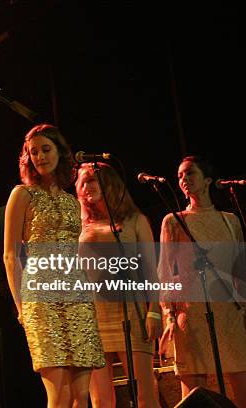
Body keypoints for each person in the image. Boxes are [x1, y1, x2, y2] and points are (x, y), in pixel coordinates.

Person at [3, 124, 104, 408]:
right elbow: (10, 255)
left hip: (77, 295)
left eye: (46, 149)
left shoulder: (72, 202)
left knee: (80, 396)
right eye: (33, 152)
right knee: (58, 395)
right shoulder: (22, 194)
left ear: (60, 152)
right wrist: (21, 307)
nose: (39, 157)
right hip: (42, 295)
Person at [158, 155, 246, 407]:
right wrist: (169, 317)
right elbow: (165, 274)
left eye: (190, 173)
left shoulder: (230, 220)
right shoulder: (173, 220)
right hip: (191, 314)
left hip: (228, 314)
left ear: (208, 180)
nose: (183, 179)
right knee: (194, 397)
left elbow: (240, 271)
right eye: (180, 175)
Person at [75, 162, 162, 408]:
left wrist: (154, 310)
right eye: (82, 182)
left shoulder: (135, 220)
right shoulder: (80, 226)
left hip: (131, 313)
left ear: (109, 183)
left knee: (145, 395)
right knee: (101, 400)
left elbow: (150, 271)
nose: (86, 187)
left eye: (92, 180)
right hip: (92, 316)